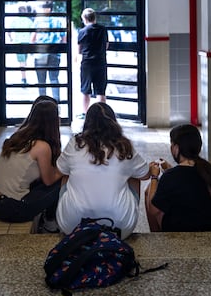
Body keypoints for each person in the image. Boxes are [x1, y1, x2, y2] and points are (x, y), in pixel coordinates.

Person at [55, 102, 151, 239]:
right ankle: (125, 214)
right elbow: (145, 174)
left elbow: (60, 169)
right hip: (120, 227)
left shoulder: (75, 143)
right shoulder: (124, 147)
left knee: (66, 174)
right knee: (133, 175)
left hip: (72, 226)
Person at [0, 100, 63, 231]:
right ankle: (50, 223)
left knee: (43, 180)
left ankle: (48, 220)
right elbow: (49, 180)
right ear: (52, 121)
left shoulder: (18, 136)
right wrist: (65, 169)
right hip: (13, 208)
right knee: (61, 181)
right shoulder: (42, 146)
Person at [145, 124, 211, 232]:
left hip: (182, 233)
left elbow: (153, 210)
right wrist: (170, 170)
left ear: (176, 148)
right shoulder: (209, 170)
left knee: (149, 191)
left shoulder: (170, 176)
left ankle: (157, 238)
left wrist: (154, 176)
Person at [30, 1, 66, 102]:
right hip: (54, 53)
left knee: (41, 81)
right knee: (54, 79)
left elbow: (32, 38)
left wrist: (33, 51)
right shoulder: (58, 21)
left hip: (41, 54)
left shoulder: (38, 20)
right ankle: (56, 103)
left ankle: (42, 102)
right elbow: (64, 39)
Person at [77, 8, 109, 119]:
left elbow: (79, 50)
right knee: (100, 90)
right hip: (100, 61)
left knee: (85, 89)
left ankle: (85, 114)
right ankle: (102, 115)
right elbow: (106, 45)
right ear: (94, 17)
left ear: (85, 19)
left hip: (87, 63)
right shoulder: (103, 29)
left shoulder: (82, 32)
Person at [8, 4, 33, 85]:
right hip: (27, 42)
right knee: (24, 60)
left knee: (22, 62)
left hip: (18, 43)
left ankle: (24, 78)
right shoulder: (29, 21)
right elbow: (33, 31)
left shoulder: (15, 21)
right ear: (25, 12)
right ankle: (24, 74)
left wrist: (11, 38)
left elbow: (8, 31)